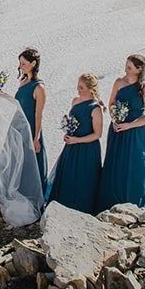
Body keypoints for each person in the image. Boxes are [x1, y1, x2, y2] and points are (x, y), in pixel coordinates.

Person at [96, 54, 145, 211]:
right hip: (118, 130)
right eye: (126, 66)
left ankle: (134, 199)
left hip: (136, 132)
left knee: (135, 163)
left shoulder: (144, 88)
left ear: (139, 70)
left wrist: (129, 125)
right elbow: (111, 103)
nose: (126, 69)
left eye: (129, 67)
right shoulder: (119, 82)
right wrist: (115, 118)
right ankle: (111, 200)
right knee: (115, 161)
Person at [48, 74, 105, 215]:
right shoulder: (75, 101)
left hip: (87, 149)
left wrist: (77, 140)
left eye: (81, 87)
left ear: (91, 89)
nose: (78, 89)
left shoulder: (95, 108)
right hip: (71, 146)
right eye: (78, 86)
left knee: (83, 179)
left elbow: (97, 134)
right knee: (67, 176)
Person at [14, 48, 48, 196]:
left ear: (33, 63)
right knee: (17, 162)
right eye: (20, 63)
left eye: (23, 63)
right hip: (18, 127)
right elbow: (19, 103)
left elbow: (38, 115)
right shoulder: (23, 80)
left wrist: (36, 138)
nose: (21, 66)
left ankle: (33, 197)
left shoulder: (39, 87)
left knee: (31, 164)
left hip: (31, 129)